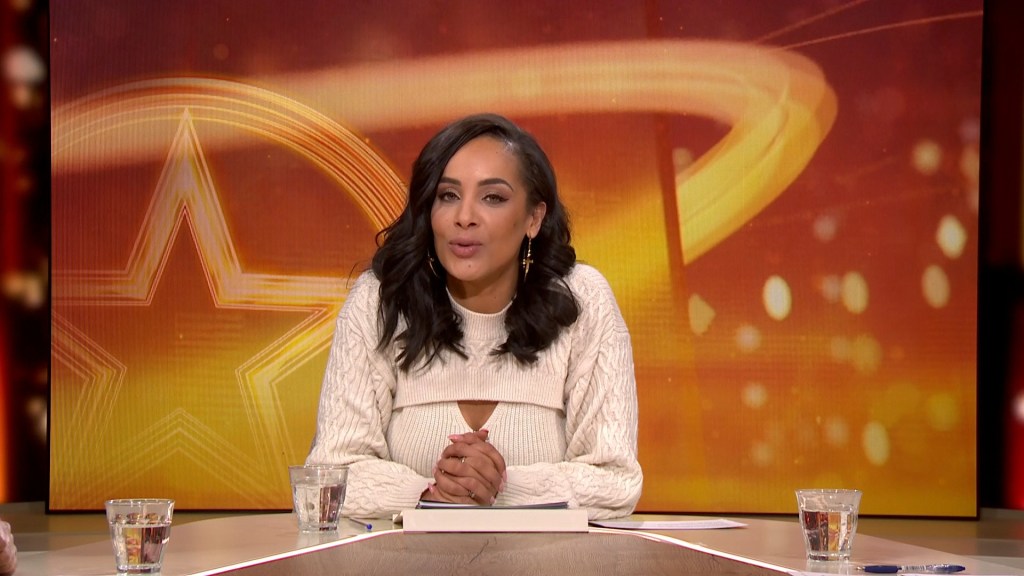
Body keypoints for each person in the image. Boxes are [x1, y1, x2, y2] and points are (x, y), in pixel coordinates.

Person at [306, 113, 642, 520]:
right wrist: (430, 495)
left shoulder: (582, 300)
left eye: (492, 198)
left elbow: (615, 479)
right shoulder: (381, 300)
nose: (464, 217)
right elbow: (331, 475)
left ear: (533, 218)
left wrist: (500, 487)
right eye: (448, 195)